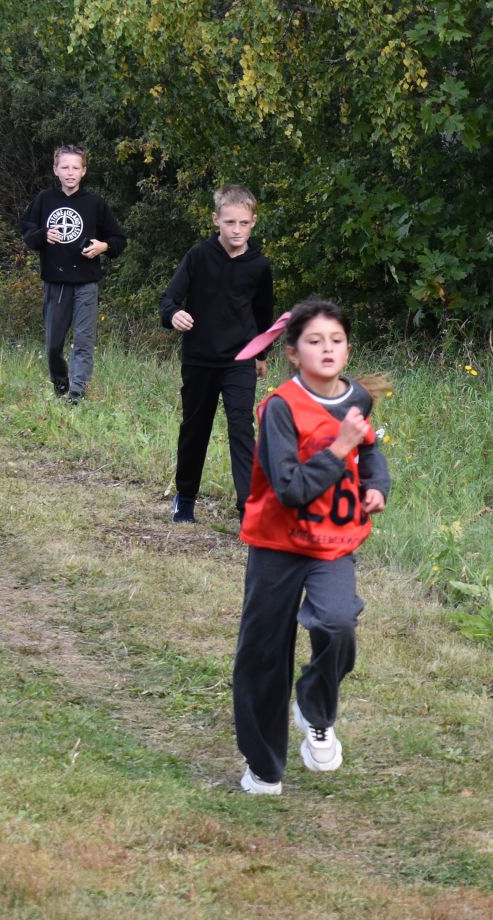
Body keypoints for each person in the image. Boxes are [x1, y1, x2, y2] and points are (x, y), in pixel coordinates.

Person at [230, 298, 392, 796]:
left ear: (347, 348)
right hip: (278, 543)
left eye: (336, 340)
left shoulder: (358, 399)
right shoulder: (279, 407)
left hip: (333, 542)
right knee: (264, 654)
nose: (327, 348)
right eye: (315, 341)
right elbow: (290, 489)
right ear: (294, 353)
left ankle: (315, 710)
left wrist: (376, 484)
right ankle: (264, 767)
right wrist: (338, 449)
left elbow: (371, 451)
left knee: (337, 622)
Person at [158, 184, 276, 523]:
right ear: (216, 220)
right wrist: (173, 315)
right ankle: (185, 497)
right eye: (229, 223)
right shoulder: (198, 256)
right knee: (196, 426)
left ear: (253, 222)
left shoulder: (259, 266)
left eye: (243, 223)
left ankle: (248, 510)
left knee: (241, 427)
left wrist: (261, 354)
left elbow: (263, 314)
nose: (236, 230)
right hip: (199, 358)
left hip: (239, 359)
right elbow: (168, 300)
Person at [17, 146, 124, 403]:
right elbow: (27, 232)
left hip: (86, 282)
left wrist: (103, 246)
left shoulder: (94, 204)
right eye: (64, 167)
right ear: (55, 170)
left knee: (84, 341)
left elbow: (119, 239)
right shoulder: (45, 200)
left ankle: (77, 393)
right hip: (55, 283)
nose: (70, 172)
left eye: (76, 167)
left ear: (84, 171)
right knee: (54, 345)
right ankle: (61, 383)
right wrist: (43, 235)